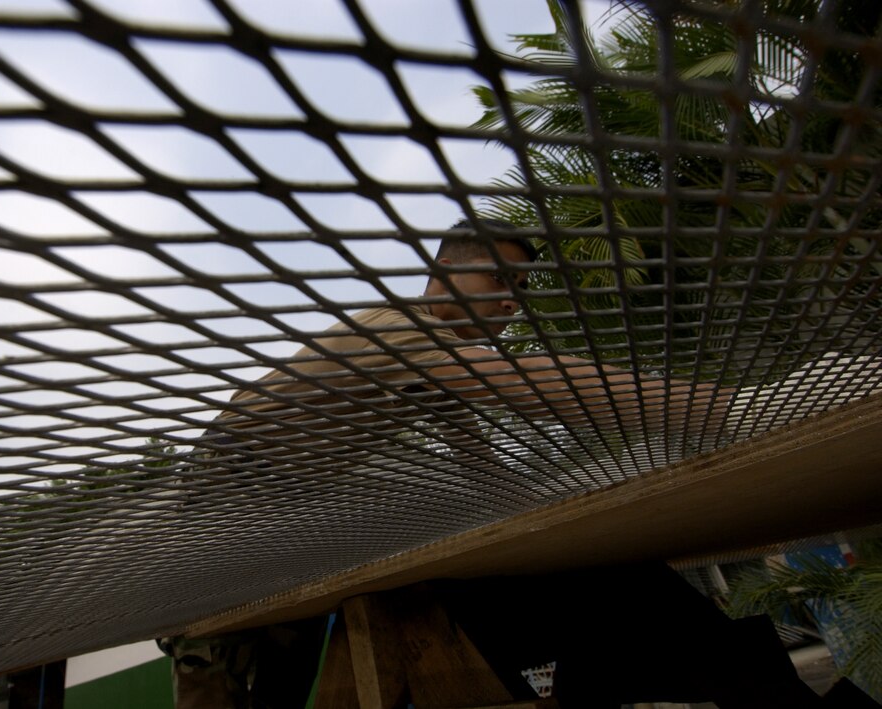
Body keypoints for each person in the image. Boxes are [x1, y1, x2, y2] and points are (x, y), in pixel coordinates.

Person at [159, 219, 813, 708]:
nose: (510, 303)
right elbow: (533, 383)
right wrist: (732, 409)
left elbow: (489, 477)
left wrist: (570, 520)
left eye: (519, 290)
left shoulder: (434, 370)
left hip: (293, 531)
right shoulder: (398, 328)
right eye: (498, 280)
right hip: (220, 533)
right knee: (224, 689)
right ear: (442, 272)